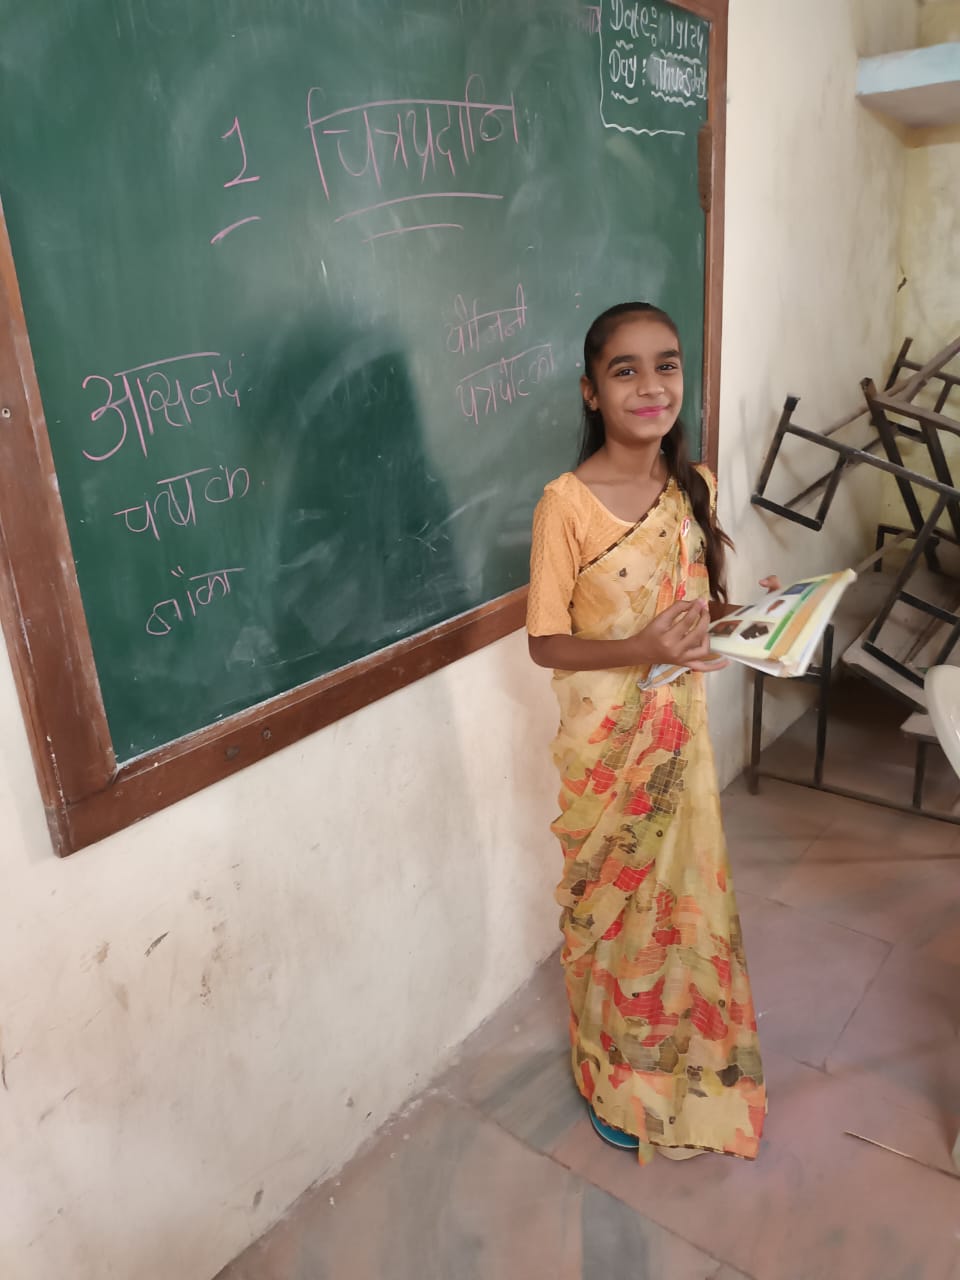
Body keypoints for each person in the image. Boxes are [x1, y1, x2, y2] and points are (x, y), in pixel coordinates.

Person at [527, 302, 773, 1163]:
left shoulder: (691, 484)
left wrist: (761, 617)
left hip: (681, 742)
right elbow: (544, 642)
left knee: (680, 910)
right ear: (590, 391)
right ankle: (617, 1078)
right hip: (609, 756)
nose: (650, 385)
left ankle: (685, 1065)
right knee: (618, 915)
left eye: (666, 364)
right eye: (624, 369)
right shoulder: (566, 506)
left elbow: (697, 611)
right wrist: (642, 649)